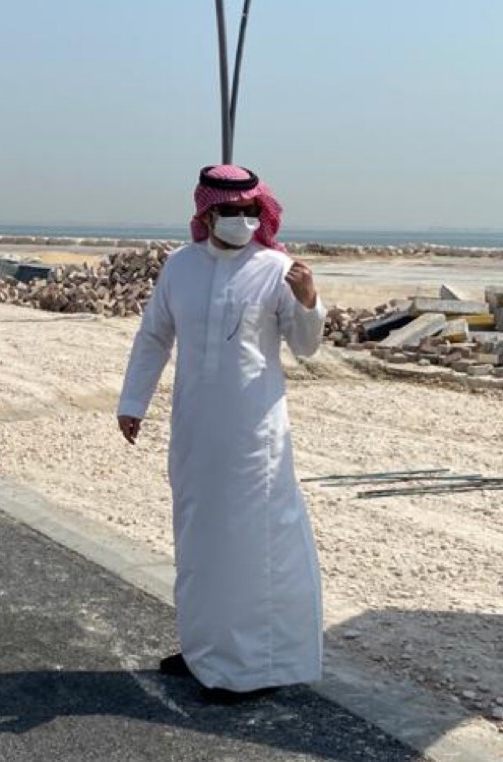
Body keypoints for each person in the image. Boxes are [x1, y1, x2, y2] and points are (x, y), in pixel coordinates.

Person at [117, 164, 326, 703]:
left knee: (251, 547)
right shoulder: (180, 266)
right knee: (199, 541)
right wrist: (133, 401)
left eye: (251, 211)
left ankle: (251, 667)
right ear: (207, 213)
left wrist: (309, 301)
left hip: (254, 437)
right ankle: (202, 649)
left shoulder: (276, 268)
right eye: (231, 211)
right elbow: (154, 336)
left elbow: (306, 347)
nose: (243, 220)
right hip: (195, 430)